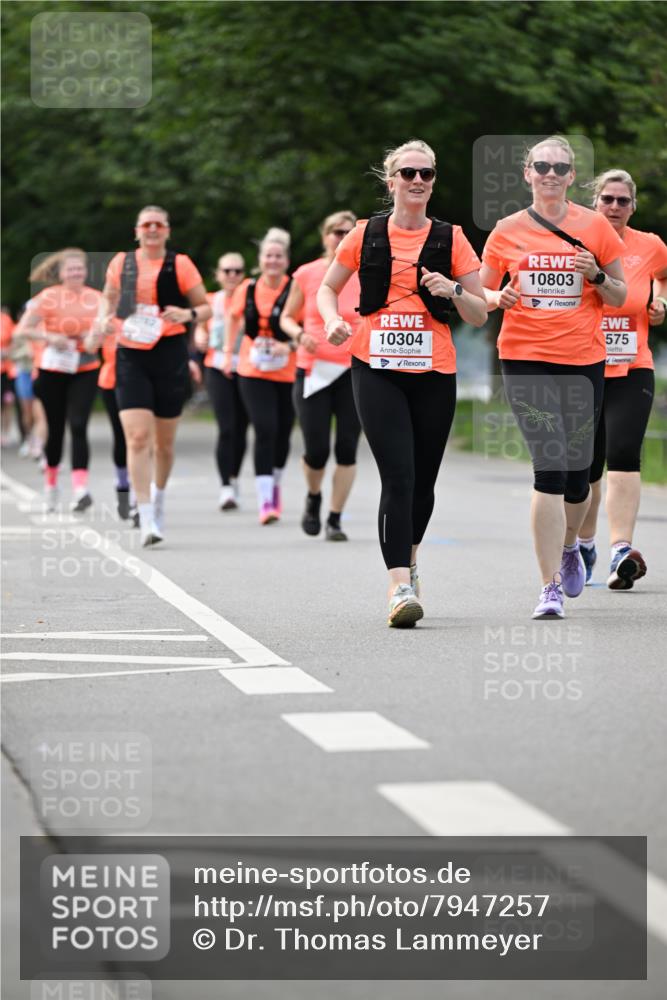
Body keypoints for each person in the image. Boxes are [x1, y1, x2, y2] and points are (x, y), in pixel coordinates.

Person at [318, 140, 487, 627]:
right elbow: (329, 288)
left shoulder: (452, 238)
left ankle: (409, 563)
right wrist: (331, 320)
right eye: (408, 173)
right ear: (390, 181)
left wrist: (453, 289)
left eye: (427, 174)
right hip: (375, 366)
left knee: (424, 481)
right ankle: (398, 588)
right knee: (398, 476)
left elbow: (477, 314)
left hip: (434, 370)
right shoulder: (364, 234)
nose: (417, 181)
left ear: (434, 182)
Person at [479, 136, 627, 619]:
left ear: (571, 176)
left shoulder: (597, 228)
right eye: (541, 165)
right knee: (549, 466)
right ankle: (549, 588)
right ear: (527, 172)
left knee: (579, 477)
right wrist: (495, 299)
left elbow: (621, 295)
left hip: (584, 361)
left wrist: (597, 277)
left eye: (559, 167)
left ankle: (569, 546)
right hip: (525, 357)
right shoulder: (505, 231)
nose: (550, 173)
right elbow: (480, 291)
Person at [95, 205, 210, 546]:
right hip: (130, 353)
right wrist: (103, 318)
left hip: (169, 353)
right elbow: (108, 299)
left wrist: (187, 313)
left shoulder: (181, 264)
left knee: (163, 444)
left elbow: (206, 307)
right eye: (146, 224)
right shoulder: (122, 263)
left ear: (167, 231)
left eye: (159, 224)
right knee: (137, 439)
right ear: (137, 231)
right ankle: (145, 516)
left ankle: (158, 501)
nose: (152, 229)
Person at [577, 169, 667, 589]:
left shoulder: (649, 246)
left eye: (623, 201)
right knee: (589, 466)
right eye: (607, 199)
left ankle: (620, 551)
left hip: (633, 366)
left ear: (633, 206)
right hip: (584, 365)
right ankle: (586, 542)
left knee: (624, 451)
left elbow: (664, 276)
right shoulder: (574, 241)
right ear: (595, 203)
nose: (614, 207)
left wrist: (661, 300)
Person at [280, 211, 361, 541]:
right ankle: (313, 498)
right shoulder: (308, 273)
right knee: (316, 450)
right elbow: (287, 317)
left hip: (355, 369)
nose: (341, 237)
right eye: (335, 232)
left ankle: (335, 518)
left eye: (347, 232)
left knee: (346, 447)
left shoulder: (366, 272)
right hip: (313, 369)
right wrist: (299, 335)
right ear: (324, 236)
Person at [14, 249, 103, 511]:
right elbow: (22, 331)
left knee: (78, 425)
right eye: (71, 270)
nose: (76, 273)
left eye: (80, 269)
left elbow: (107, 330)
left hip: (85, 368)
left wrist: (94, 338)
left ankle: (80, 489)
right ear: (61, 273)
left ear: (86, 272)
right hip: (52, 369)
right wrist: (49, 338)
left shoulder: (96, 299)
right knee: (55, 428)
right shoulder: (48, 297)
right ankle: (51, 485)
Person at [224, 228, 295, 525]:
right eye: (268, 256)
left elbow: (305, 325)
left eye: (278, 256)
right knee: (264, 429)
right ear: (261, 260)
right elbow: (232, 317)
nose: (273, 261)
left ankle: (275, 483)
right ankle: (266, 500)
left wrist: (288, 344)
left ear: (286, 260)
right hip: (252, 369)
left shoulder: (295, 288)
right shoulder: (248, 288)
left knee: (282, 432)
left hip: (287, 369)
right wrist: (229, 352)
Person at [194, 252, 249, 511]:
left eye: (237, 271)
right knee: (226, 427)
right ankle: (226, 486)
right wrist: (198, 340)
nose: (232, 276)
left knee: (241, 428)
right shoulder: (210, 301)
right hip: (217, 368)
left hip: (248, 368)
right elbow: (198, 332)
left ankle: (235, 476)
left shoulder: (251, 298)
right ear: (217, 274)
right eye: (227, 271)